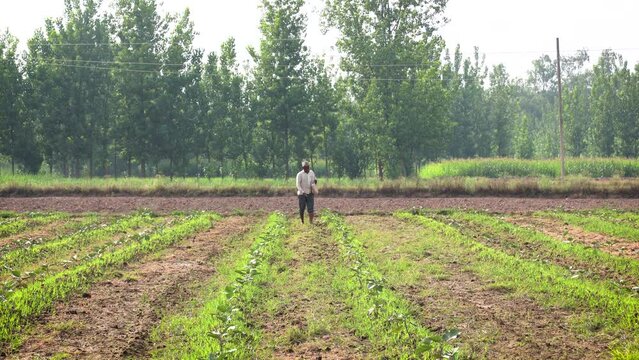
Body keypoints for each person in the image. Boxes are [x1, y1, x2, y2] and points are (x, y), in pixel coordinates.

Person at [296, 160, 317, 224]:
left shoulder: (312, 173)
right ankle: (302, 221)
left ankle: (311, 222)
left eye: (307, 167)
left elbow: (314, 180)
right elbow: (298, 185)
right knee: (302, 208)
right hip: (302, 194)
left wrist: (315, 183)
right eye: (305, 167)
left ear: (309, 167)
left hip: (310, 193)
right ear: (303, 168)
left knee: (311, 208)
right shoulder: (300, 174)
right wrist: (302, 192)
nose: (306, 168)